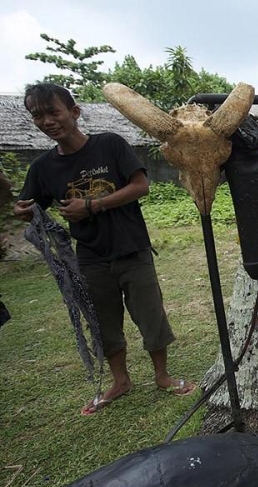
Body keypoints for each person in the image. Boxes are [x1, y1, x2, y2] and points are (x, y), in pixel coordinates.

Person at [13, 83, 194, 415]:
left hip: (132, 248)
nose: (47, 121)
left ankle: (163, 376)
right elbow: (30, 204)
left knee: (150, 315)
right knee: (103, 323)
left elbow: (141, 186)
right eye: (38, 115)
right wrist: (23, 210)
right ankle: (120, 381)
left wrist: (92, 205)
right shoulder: (42, 168)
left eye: (54, 112)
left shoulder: (109, 144)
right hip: (90, 257)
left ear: (74, 112)